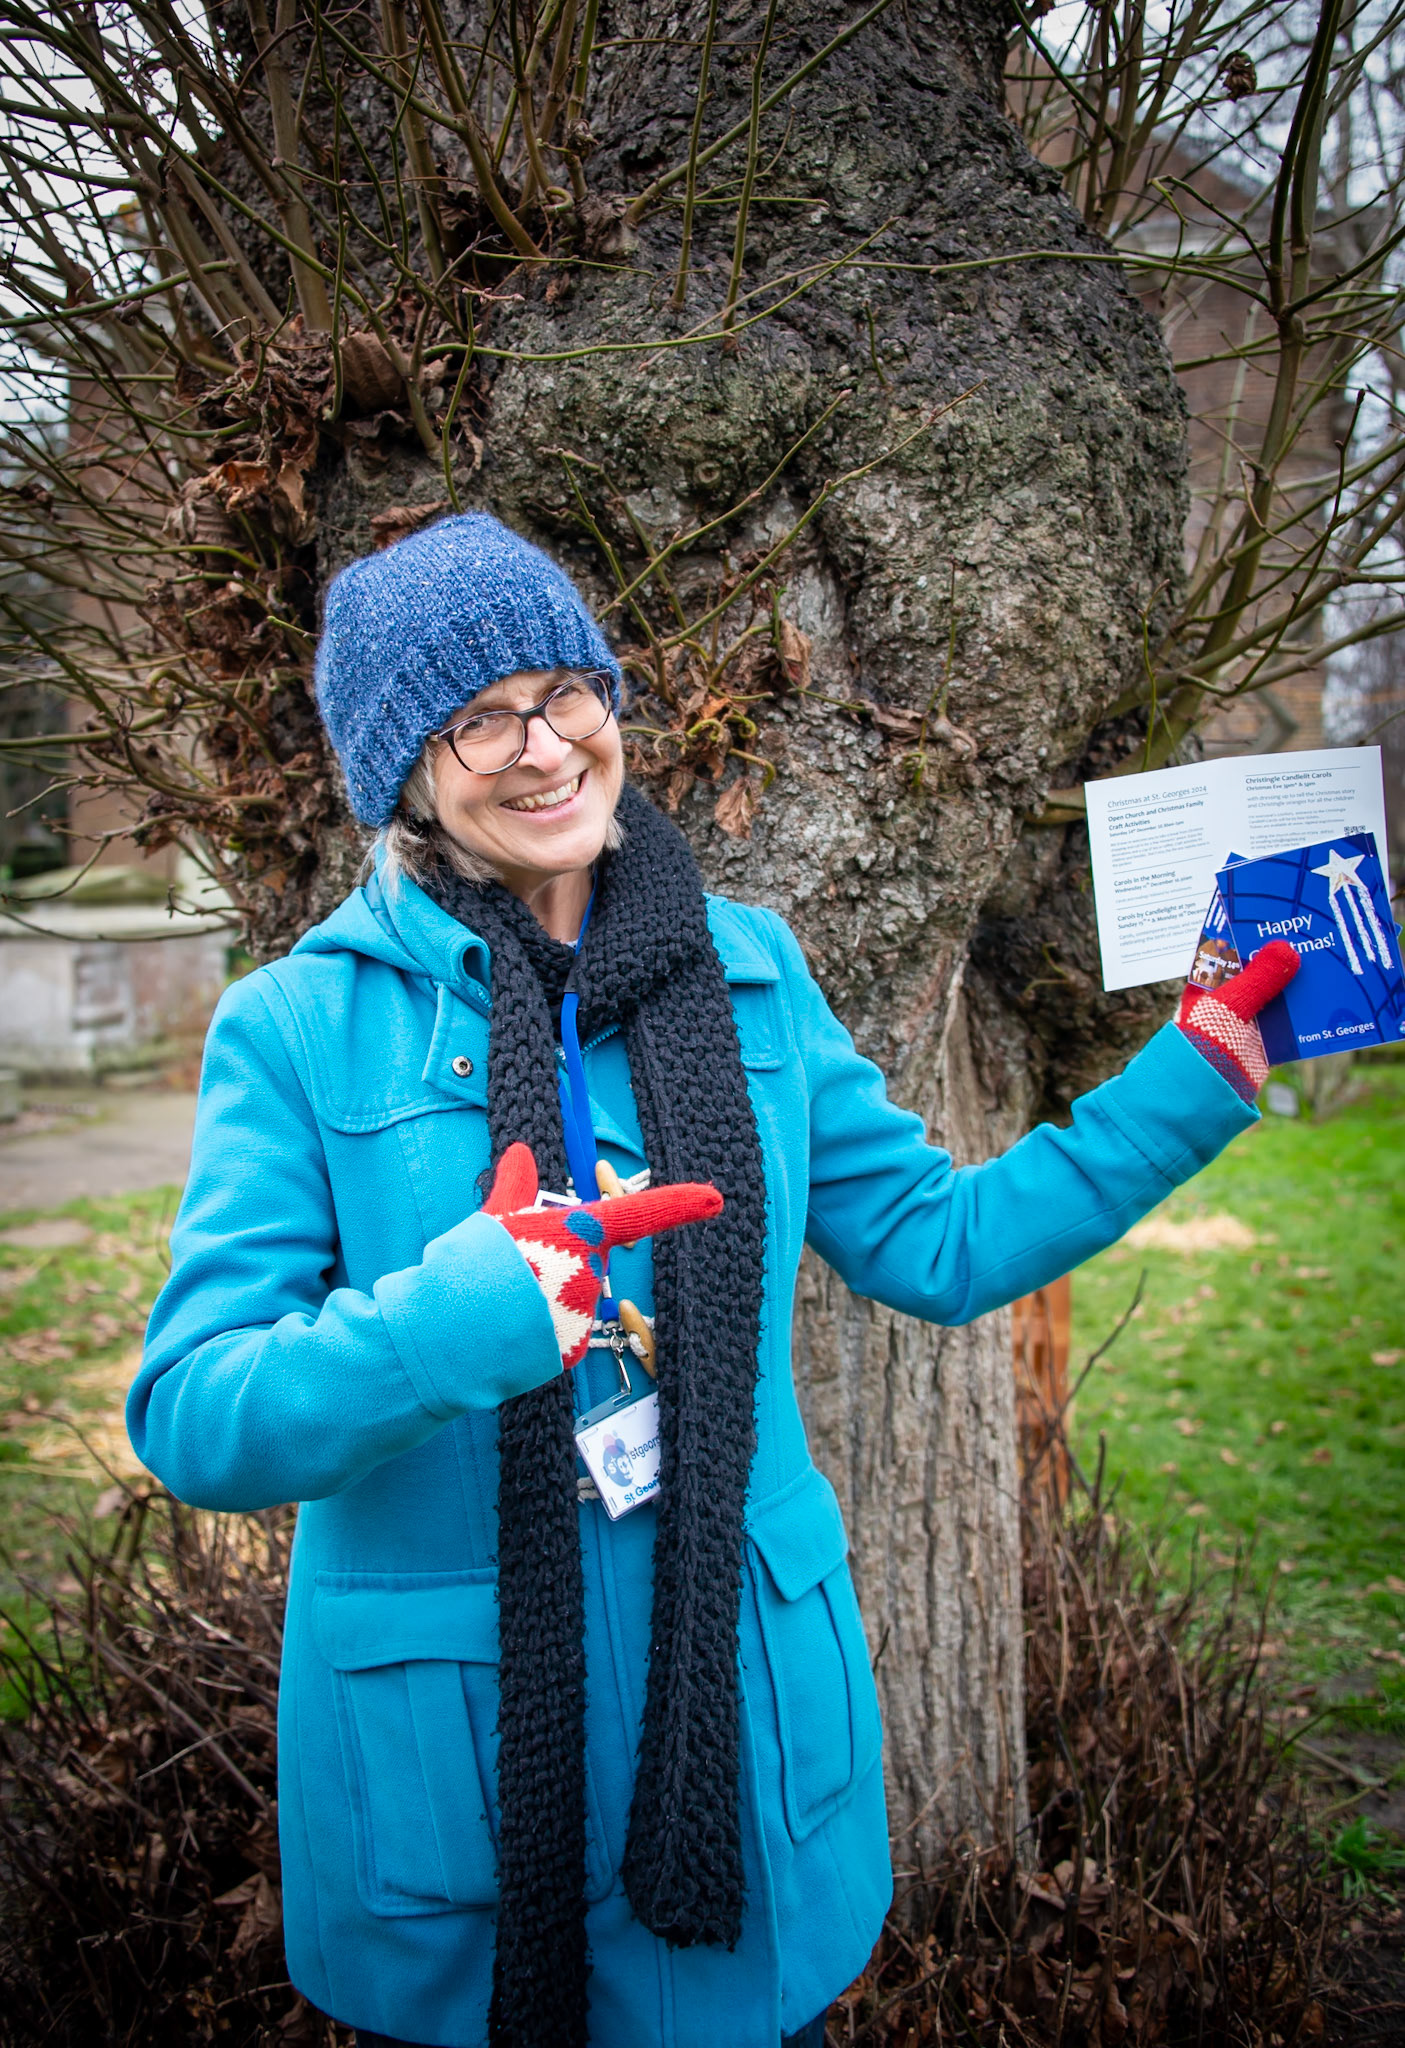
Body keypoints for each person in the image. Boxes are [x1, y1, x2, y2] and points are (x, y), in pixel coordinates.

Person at [129, 515, 1298, 2048]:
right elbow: (196, 1416)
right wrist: (457, 1318)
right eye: (477, 717)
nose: (543, 746)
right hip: (464, 1776)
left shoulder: (747, 970)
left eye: (565, 691)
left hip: (738, 1736)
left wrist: (1195, 1072)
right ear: (403, 770)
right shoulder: (298, 1027)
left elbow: (939, 1243)